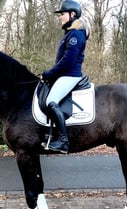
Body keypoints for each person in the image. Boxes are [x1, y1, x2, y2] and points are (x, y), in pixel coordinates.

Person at [41, 0, 89, 154]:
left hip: (70, 75)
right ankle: (50, 134)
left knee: (51, 101)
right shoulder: (70, 33)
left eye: (62, 14)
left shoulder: (75, 34)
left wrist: (50, 73)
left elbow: (68, 62)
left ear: (72, 14)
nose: (60, 17)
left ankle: (63, 140)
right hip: (65, 74)